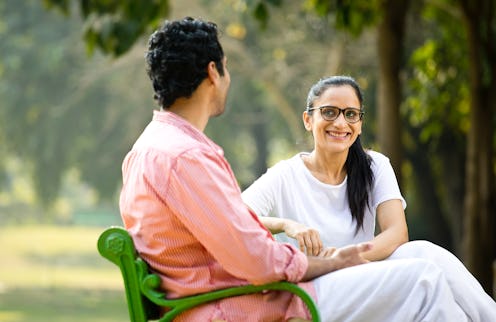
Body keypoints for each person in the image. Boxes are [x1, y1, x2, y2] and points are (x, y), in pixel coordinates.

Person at [119, 17, 469, 321]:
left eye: (351, 115)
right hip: (249, 307)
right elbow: (258, 261)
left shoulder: (149, 150)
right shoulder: (186, 157)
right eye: (226, 68)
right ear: (214, 71)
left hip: (224, 301)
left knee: (421, 265)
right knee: (424, 280)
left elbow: (238, 238)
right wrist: (333, 261)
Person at [242, 75, 496, 321]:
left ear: (360, 123)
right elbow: (235, 215)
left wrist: (344, 256)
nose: (341, 123)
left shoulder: (376, 166)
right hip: (315, 284)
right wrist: (287, 225)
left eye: (350, 114)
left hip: (363, 272)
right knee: (424, 276)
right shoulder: (285, 174)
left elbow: (397, 233)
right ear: (308, 120)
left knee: (426, 252)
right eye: (329, 112)